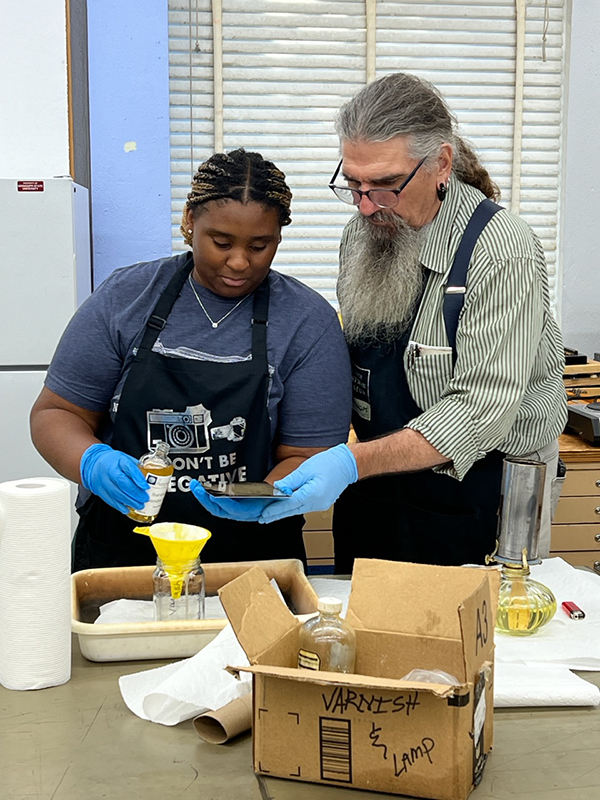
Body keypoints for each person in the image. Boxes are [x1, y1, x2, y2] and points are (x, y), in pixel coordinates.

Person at [193, 73, 568, 570]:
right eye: (353, 185)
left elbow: (482, 409)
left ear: (441, 163)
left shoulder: (500, 250)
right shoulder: (361, 236)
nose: (367, 206)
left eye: (387, 186)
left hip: (480, 489)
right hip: (376, 483)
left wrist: (351, 462)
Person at [30, 148, 351, 569]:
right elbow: (56, 413)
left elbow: (308, 455)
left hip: (251, 557)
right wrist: (92, 462)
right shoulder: (126, 298)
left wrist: (260, 500)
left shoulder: (308, 322)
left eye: (260, 245)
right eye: (221, 242)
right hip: (123, 549)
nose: (239, 262)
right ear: (189, 221)